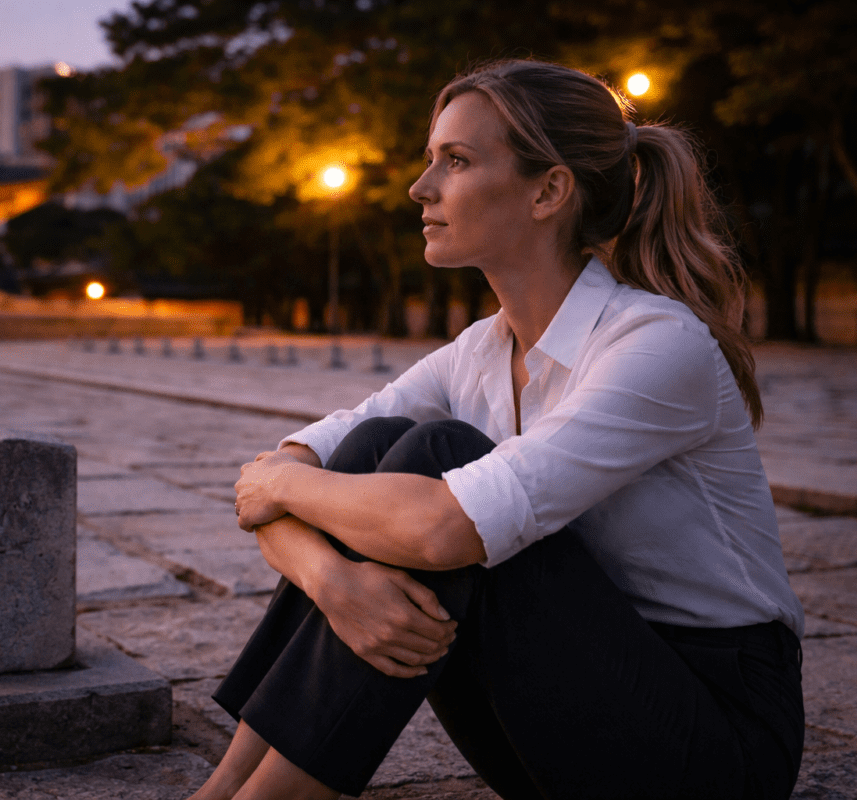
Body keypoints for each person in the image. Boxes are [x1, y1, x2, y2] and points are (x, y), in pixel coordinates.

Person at [190, 59, 805, 800]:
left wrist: (286, 484)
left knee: (438, 461)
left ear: (549, 190)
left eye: (456, 161)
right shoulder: (482, 348)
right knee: (373, 447)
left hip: (712, 741)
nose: (421, 189)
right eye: (430, 162)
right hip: (562, 708)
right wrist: (332, 579)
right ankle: (222, 790)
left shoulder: (656, 343)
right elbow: (300, 467)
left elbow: (424, 527)